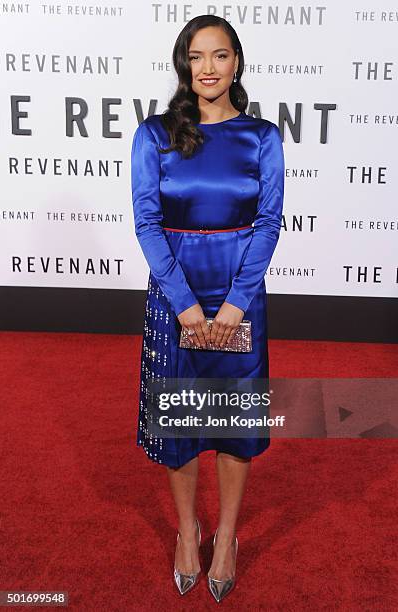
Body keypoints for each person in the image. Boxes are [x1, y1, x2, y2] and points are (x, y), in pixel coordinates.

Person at [131, 14, 285, 603]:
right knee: (181, 423)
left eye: (220, 56)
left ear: (236, 63)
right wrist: (186, 306)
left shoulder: (262, 137)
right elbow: (147, 223)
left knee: (233, 424)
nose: (208, 69)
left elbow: (268, 223)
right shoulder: (155, 135)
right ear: (184, 65)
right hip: (177, 299)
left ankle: (225, 538)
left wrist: (236, 304)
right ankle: (187, 533)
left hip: (240, 297)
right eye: (197, 57)